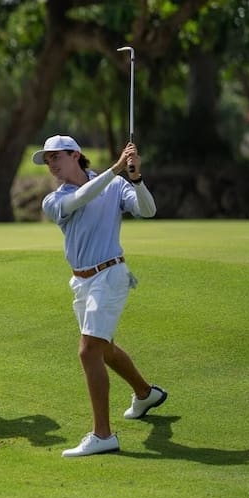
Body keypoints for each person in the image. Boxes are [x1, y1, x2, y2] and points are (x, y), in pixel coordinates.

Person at [33, 134, 167, 458]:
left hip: (111, 274)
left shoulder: (116, 185)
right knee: (103, 349)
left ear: (75, 154)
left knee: (88, 351)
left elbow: (148, 210)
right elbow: (80, 198)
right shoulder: (54, 201)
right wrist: (116, 169)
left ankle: (103, 435)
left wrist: (135, 178)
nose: (50, 164)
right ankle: (145, 393)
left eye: (55, 157)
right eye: (47, 160)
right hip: (81, 283)